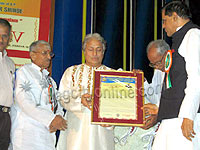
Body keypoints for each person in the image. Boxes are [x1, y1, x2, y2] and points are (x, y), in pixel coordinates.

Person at [152, 1, 200, 150]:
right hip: (171, 116)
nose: (163, 26)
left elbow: (196, 78)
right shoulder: (180, 38)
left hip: (183, 117)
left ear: (174, 17)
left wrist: (188, 115)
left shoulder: (193, 35)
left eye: (164, 21)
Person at [56, 33, 115, 150]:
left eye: (98, 50)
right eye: (91, 49)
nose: (95, 54)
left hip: (101, 131)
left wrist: (112, 121)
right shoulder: (72, 71)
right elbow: (62, 96)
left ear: (103, 52)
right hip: (76, 129)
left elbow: (119, 105)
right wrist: (79, 101)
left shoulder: (113, 75)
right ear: (84, 51)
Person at [10, 40, 67, 150]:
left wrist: (58, 117)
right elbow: (25, 102)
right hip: (28, 134)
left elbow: (57, 103)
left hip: (48, 134)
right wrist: (51, 119)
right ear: (33, 55)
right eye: (44, 53)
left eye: (50, 53)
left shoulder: (50, 80)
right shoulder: (24, 72)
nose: (49, 57)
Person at [114, 40, 167, 150]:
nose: (156, 67)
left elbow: (177, 100)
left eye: (158, 62)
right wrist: (142, 82)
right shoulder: (158, 70)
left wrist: (158, 113)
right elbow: (154, 97)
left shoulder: (179, 69)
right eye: (152, 64)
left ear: (167, 55)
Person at [0, 18, 15, 150]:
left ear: (9, 38)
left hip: (6, 116)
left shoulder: (10, 63)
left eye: (4, 36)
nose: (1, 40)